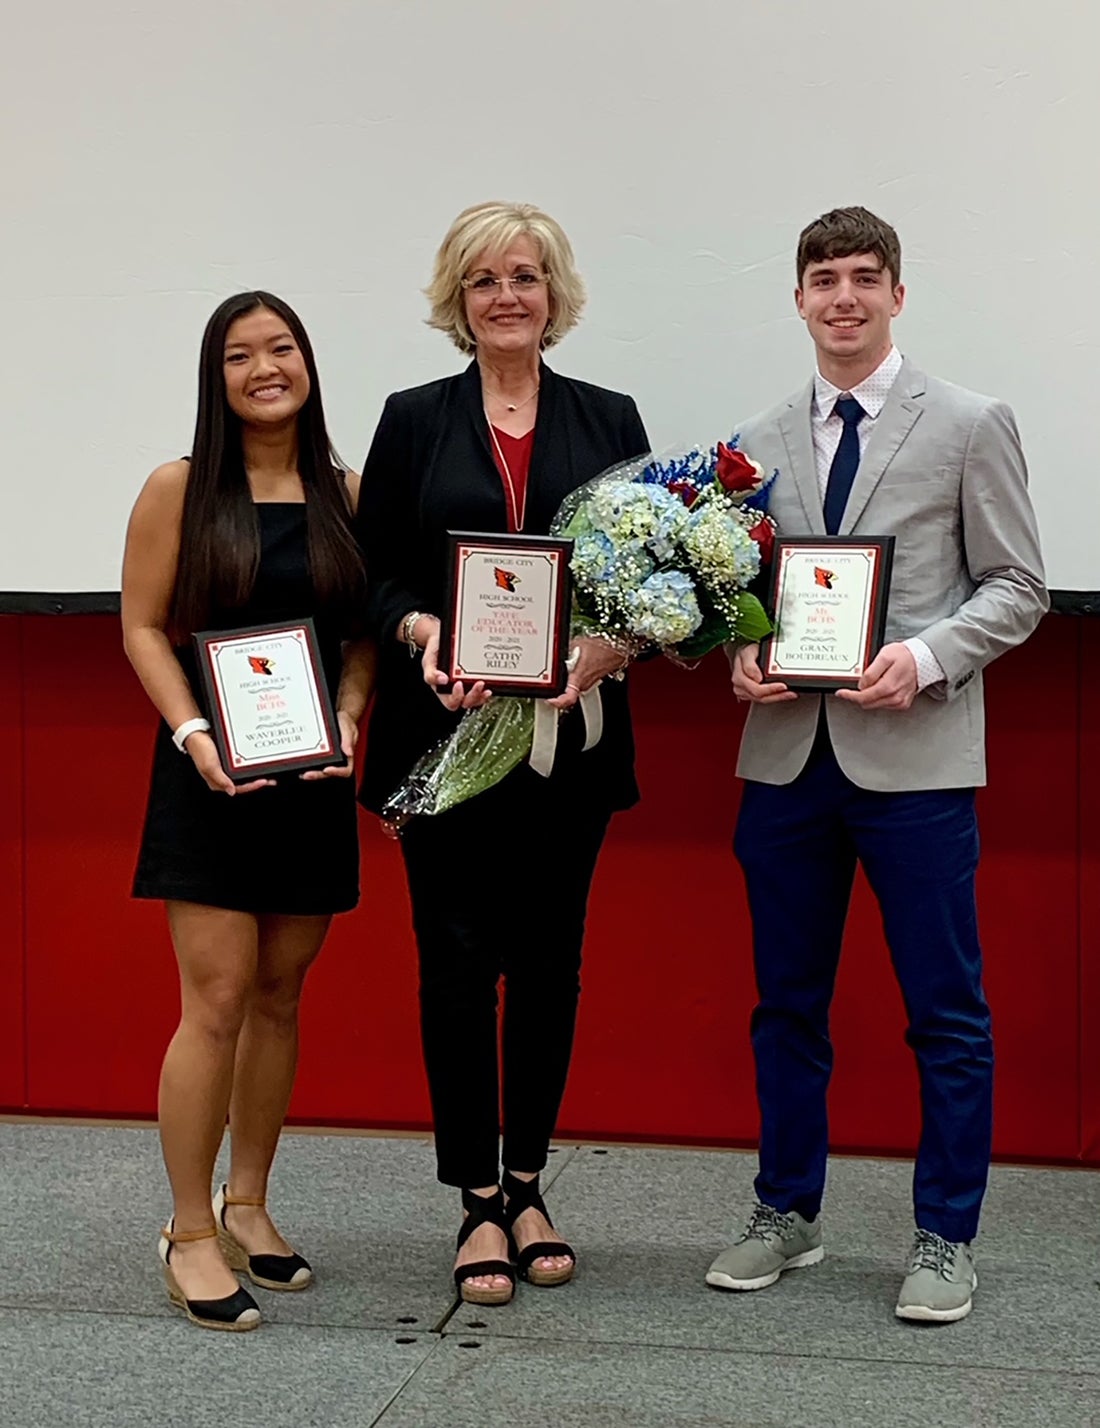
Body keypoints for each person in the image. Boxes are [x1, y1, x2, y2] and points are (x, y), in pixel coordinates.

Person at [706, 207, 1047, 1323]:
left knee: (944, 1012)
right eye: (822, 279)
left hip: (916, 761)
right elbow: (733, 600)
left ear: (896, 295)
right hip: (786, 762)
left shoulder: (965, 421)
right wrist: (742, 651)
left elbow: (1015, 586)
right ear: (797, 298)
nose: (841, 297)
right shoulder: (750, 441)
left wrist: (925, 655)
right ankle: (784, 1212)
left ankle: (944, 1237)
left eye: (863, 278)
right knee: (784, 1006)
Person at [355, 201, 649, 1306]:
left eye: (523, 276)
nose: (505, 296)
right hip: (442, 735)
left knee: (549, 965)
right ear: (457, 300)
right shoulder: (412, 419)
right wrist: (426, 633)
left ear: (553, 293)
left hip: (568, 741)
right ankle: (474, 1197)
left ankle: (529, 1181)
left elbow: (640, 587)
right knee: (453, 965)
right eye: (482, 280)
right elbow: (375, 576)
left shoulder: (608, 418)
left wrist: (599, 655)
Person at [122, 291, 374, 1331]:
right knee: (215, 999)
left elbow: (360, 634)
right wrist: (192, 735)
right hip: (210, 776)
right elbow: (141, 626)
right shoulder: (177, 488)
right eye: (238, 355)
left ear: (307, 363)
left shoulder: (348, 490)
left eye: (280, 348)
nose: (263, 367)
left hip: (311, 783)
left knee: (279, 995)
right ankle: (187, 1231)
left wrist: (354, 716)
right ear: (214, 377)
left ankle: (251, 1206)